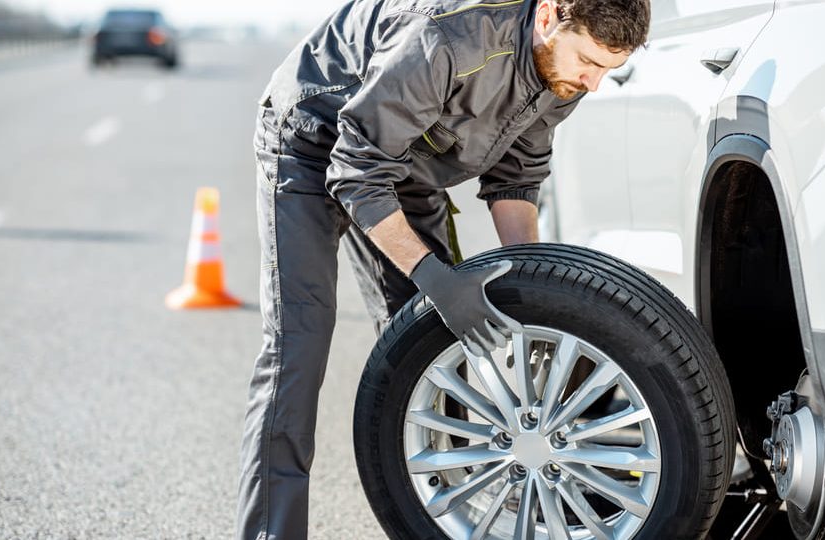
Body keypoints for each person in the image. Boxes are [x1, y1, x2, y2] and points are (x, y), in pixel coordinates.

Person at [237, 0, 650, 537]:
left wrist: (536, 289)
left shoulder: (561, 73)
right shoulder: (447, 40)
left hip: (403, 164)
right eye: (589, 62)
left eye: (607, 70)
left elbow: (515, 177)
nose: (594, 83)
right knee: (299, 347)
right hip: (313, 143)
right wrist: (435, 280)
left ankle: (449, 522)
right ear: (548, 16)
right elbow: (355, 171)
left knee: (432, 352)